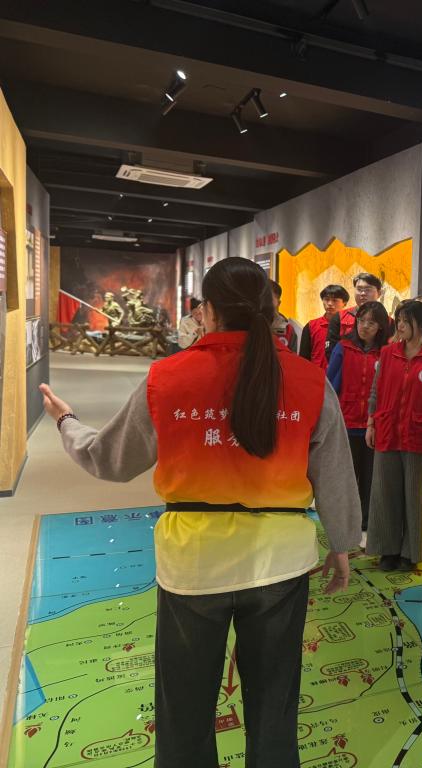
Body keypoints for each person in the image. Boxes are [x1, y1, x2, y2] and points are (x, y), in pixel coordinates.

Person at [38, 257, 359, 767]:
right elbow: (336, 474)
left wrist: (67, 422)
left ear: (207, 311)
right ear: (269, 309)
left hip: (193, 566)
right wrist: (342, 545)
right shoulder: (309, 380)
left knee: (184, 713)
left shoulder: (167, 377)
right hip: (280, 564)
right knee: (274, 709)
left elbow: (110, 460)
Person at [365, 300, 422, 571]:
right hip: (387, 431)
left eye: (405, 321)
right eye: (398, 320)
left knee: (415, 496)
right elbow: (375, 390)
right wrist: (371, 423)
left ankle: (411, 552)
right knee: (385, 493)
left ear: (421, 325)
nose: (399, 325)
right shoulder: (388, 353)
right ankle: (387, 549)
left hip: (418, 436)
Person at [327, 300, 390, 539]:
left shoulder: (386, 352)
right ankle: (346, 521)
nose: (364, 326)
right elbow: (331, 386)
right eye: (361, 321)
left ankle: (367, 520)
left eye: (371, 323)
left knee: (371, 477)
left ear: (381, 326)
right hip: (346, 422)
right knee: (347, 476)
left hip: (374, 426)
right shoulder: (343, 347)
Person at [299, 284, 349, 370]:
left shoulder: (349, 326)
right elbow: (304, 357)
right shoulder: (311, 325)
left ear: (344, 303)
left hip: (341, 373)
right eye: (326, 299)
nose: (329, 304)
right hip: (315, 373)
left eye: (335, 300)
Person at [338, 272, 385, 337]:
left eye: (368, 290)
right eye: (359, 289)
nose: (363, 293)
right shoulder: (339, 317)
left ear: (379, 293)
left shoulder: (388, 322)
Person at [269, 280, 302, 352]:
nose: (263, 302)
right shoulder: (247, 325)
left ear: (278, 303)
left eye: (269, 299)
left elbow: (292, 357)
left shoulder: (289, 330)